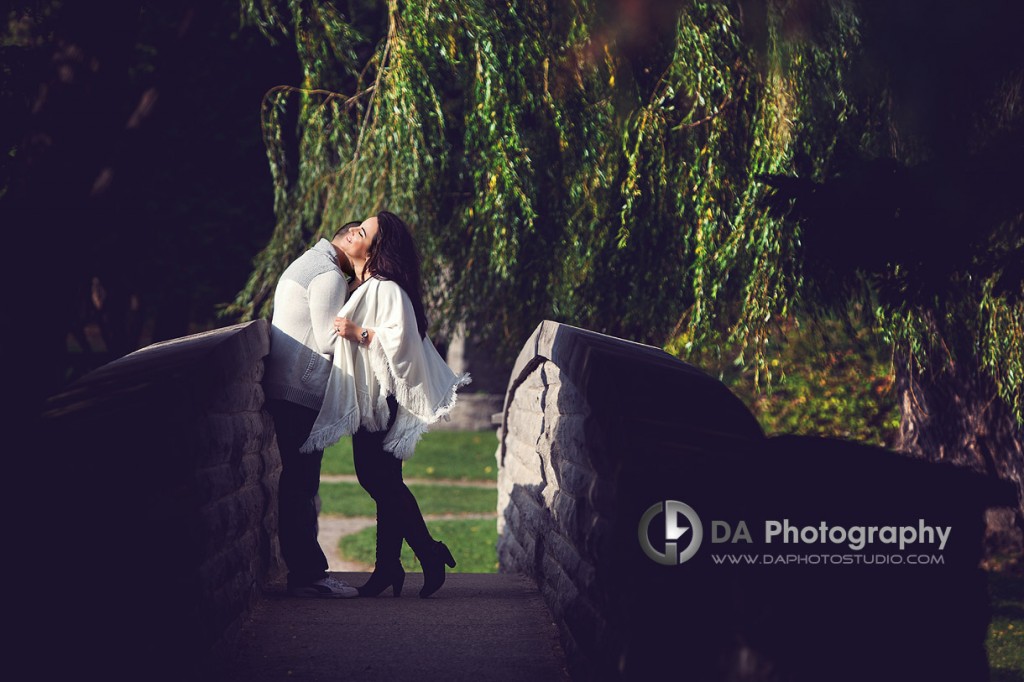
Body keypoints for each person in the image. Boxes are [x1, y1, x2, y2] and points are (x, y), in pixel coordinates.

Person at [300, 210, 471, 598]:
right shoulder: (366, 286)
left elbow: (404, 342)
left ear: (376, 249)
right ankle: (389, 567)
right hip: (372, 395)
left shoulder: (387, 287)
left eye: (363, 232)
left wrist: (358, 332)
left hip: (384, 397)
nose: (353, 233)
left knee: (376, 479)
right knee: (384, 481)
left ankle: (428, 552)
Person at [263, 221, 362, 598]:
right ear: (350, 237)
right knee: (301, 485)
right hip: (299, 392)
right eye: (370, 244)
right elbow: (326, 339)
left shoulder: (310, 263)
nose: (372, 256)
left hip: (286, 389)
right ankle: (309, 577)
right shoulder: (328, 274)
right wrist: (368, 336)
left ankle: (306, 573)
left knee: (298, 484)